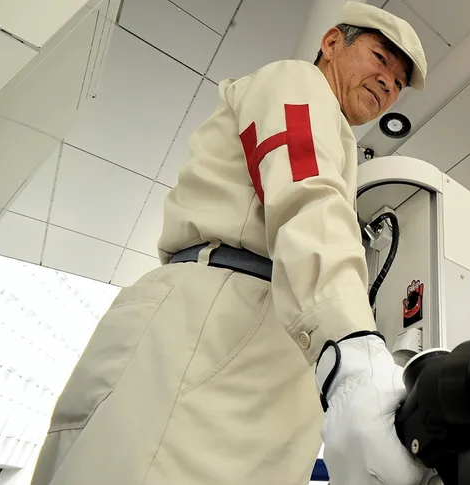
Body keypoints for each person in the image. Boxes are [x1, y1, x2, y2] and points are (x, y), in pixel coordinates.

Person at [30, 3, 430, 485]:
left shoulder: (335, 136)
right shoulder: (297, 82)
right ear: (330, 43)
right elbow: (305, 195)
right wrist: (354, 351)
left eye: (400, 79)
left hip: (253, 342)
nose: (390, 81)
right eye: (381, 57)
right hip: (220, 329)